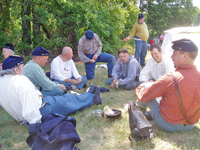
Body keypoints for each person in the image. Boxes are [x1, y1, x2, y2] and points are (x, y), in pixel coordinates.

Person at [0, 55, 101, 124]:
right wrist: (36, 122)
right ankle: (92, 98)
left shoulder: (2, 81)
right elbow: (31, 112)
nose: (24, 70)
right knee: (68, 100)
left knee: (66, 98)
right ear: (16, 70)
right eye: (22, 67)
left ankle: (89, 95)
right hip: (42, 108)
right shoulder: (20, 81)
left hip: (22, 115)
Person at [136, 39, 200, 132]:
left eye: (174, 54)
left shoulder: (171, 77)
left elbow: (145, 94)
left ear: (184, 56)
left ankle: (138, 106)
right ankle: (148, 111)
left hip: (169, 124)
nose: (171, 57)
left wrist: (142, 86)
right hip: (190, 124)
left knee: (148, 92)